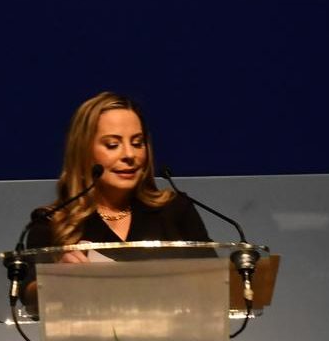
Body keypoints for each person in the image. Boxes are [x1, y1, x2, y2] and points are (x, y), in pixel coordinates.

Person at [19, 92, 211, 310]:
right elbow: (28, 294)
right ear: (83, 152)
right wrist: (57, 281)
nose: (130, 154)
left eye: (137, 143)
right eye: (112, 145)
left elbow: (217, 282)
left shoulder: (175, 211)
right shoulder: (52, 222)